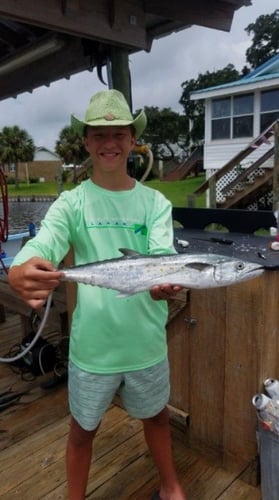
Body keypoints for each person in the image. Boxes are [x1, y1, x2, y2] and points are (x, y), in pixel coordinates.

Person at [8, 89, 186, 500]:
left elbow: (162, 263)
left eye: (119, 133)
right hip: (92, 349)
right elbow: (45, 242)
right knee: (81, 431)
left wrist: (164, 288)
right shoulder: (72, 203)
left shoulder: (155, 203)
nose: (109, 142)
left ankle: (171, 485)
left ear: (131, 140)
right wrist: (22, 266)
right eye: (99, 134)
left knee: (157, 418)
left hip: (146, 345)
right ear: (86, 141)